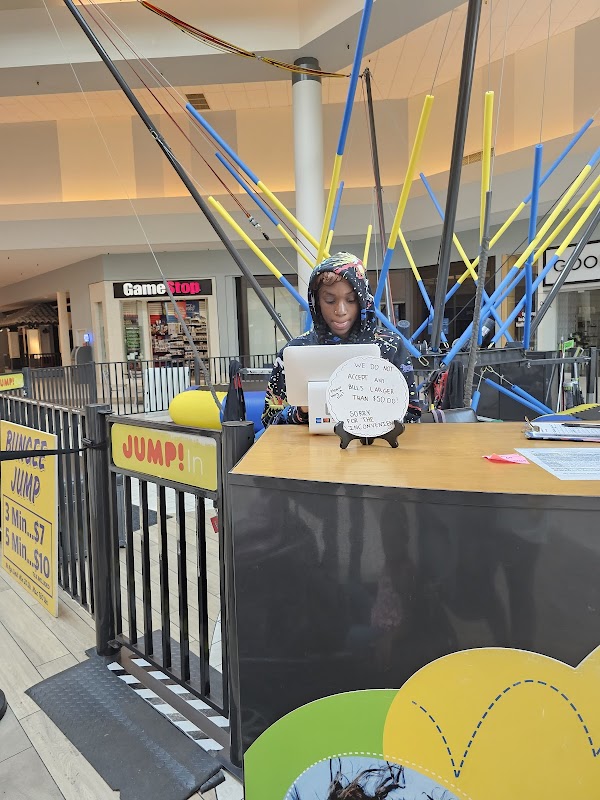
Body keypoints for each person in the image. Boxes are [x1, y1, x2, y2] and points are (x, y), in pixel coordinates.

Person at [262, 252, 421, 427]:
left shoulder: (390, 347)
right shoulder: (294, 351)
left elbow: (412, 414)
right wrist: (300, 411)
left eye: (351, 300)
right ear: (316, 301)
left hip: (375, 450)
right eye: (329, 300)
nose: (341, 310)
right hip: (309, 452)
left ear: (363, 300)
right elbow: (269, 421)